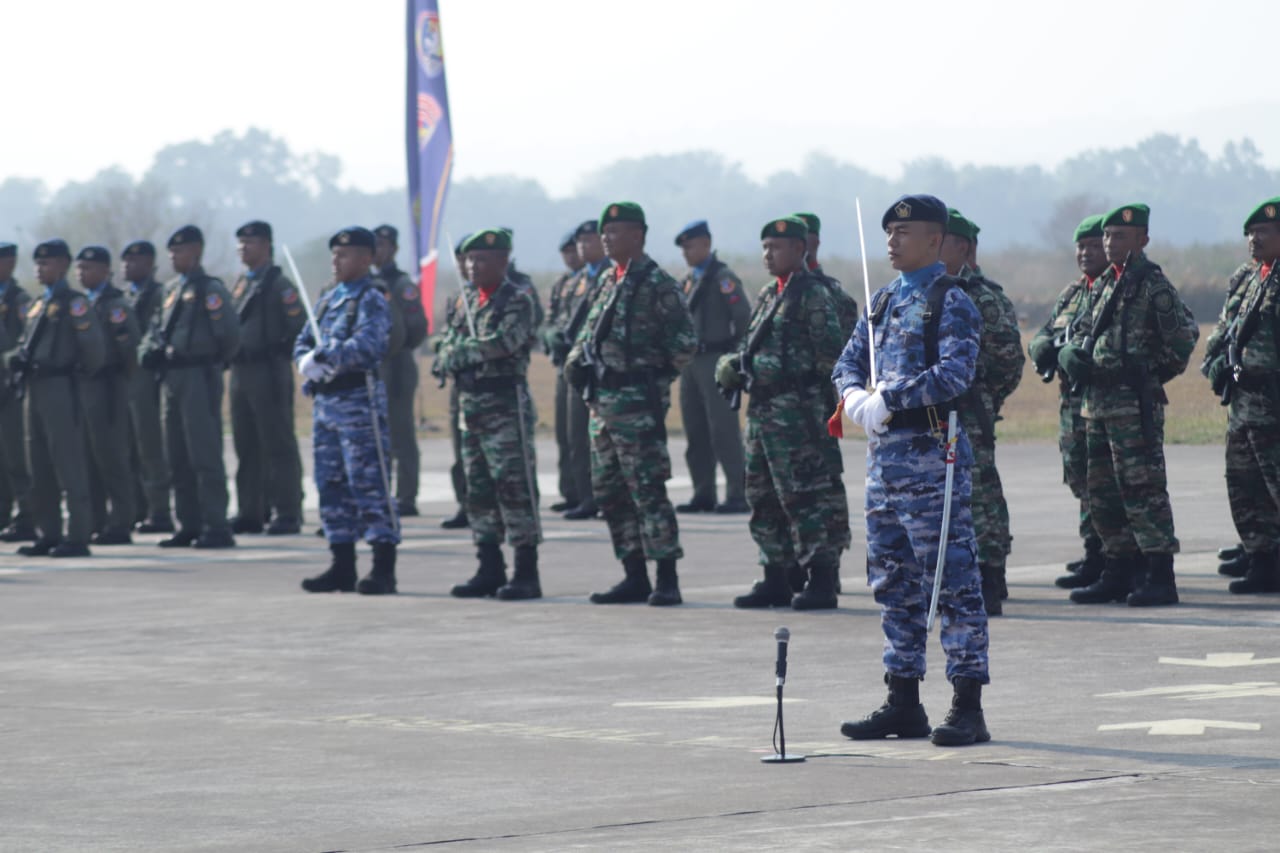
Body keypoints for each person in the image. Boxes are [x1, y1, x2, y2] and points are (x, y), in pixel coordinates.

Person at [833, 194, 990, 747]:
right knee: (892, 582)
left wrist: (891, 397)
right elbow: (847, 361)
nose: (893, 242)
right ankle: (903, 700)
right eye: (889, 234)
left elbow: (955, 374)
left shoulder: (952, 302)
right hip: (885, 465)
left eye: (905, 233)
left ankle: (967, 704)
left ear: (935, 242)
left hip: (932, 459)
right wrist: (853, 395)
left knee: (952, 582)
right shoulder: (881, 302)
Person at [1058, 203, 1199, 606]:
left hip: (1132, 405)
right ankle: (1116, 570)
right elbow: (1080, 328)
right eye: (1106, 236)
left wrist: (1148, 375)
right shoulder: (1104, 283)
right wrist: (1070, 354)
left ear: (1143, 239)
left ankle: (1159, 575)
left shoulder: (1153, 285)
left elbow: (1182, 339)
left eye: (1120, 236)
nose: (1110, 242)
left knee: (1143, 491)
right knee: (1101, 492)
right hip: (1095, 404)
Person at [565, 201, 698, 606]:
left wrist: (648, 382)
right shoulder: (608, 280)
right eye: (604, 232)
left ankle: (666, 578)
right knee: (611, 494)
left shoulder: (658, 284)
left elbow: (684, 344)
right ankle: (634, 573)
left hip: (637, 407)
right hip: (602, 406)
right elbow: (589, 335)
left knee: (647, 491)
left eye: (615, 232)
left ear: (638, 236)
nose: (606, 238)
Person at [719, 216, 848, 611]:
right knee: (762, 495)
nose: (768, 255)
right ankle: (774, 576)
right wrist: (733, 365)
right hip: (762, 414)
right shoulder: (767, 294)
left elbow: (832, 357)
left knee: (804, 497)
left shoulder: (814, 296)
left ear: (800, 249)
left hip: (797, 416)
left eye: (776, 247)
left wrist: (771, 370)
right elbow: (751, 346)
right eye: (764, 248)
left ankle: (821, 579)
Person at [437, 228, 543, 600]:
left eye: (481, 259)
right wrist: (452, 352)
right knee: (478, 490)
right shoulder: (465, 300)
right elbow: (445, 341)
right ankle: (489, 565)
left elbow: (502, 343)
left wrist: (458, 353)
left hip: (504, 404)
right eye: (468, 259)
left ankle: (526, 571)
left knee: (514, 487)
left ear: (502, 261)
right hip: (471, 404)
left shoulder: (517, 299)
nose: (472, 266)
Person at [297, 227, 400, 595]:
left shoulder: (371, 298)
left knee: (368, 482)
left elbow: (370, 345)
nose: (335, 261)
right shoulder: (328, 298)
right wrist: (306, 362)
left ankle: (383, 567)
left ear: (365, 259)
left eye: (344, 255)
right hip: (326, 403)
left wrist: (327, 356)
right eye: (334, 255)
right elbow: (303, 340)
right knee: (331, 484)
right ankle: (341, 563)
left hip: (358, 401)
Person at [939, 209, 1024, 614]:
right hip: (931, 415)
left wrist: (985, 398)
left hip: (970, 409)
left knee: (979, 493)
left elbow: (1009, 360)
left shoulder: (984, 297)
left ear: (965, 248)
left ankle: (991, 576)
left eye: (942, 242)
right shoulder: (921, 292)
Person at [140, 225, 240, 549]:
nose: (173, 257)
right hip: (172, 378)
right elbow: (153, 332)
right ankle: (189, 524)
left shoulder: (211, 290)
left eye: (179, 251)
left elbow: (229, 336)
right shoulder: (169, 292)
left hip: (199, 374)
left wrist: (209, 362)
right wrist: (147, 353)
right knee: (177, 455)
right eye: (171, 251)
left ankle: (216, 525)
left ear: (196, 252)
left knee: (204, 453)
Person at [1029, 215, 1114, 591]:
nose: (1085, 253)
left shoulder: (1116, 290)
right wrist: (1042, 347)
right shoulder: (1073, 293)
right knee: (1082, 481)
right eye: (1081, 246)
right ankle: (1094, 552)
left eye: (1094, 246)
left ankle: (1121, 558)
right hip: (1072, 407)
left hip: (1104, 404)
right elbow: (1046, 332)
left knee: (1107, 485)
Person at [1202, 197, 1280, 593]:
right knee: (1245, 485)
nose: (1254, 239)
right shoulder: (1251, 277)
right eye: (1250, 233)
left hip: (1274, 402)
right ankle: (1263, 561)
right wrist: (1214, 362)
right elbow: (1226, 328)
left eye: (1263, 232)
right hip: (1244, 403)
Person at [14, 239, 107, 557]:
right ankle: (49, 532)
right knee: (38, 463)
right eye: (38, 263)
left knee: (68, 462)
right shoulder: (39, 304)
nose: (41, 269)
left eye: (48, 263)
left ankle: (78, 534)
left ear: (64, 265)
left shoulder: (75, 303)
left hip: (61, 387)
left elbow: (95, 350)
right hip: (36, 388)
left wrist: (75, 375)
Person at [227, 220, 306, 535]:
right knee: (246, 444)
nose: (244, 248)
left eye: (251, 243)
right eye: (241, 243)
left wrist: (279, 352)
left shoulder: (278, 284)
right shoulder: (240, 284)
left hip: (269, 369)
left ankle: (287, 510)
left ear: (267, 246)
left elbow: (297, 325)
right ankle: (251, 510)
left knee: (278, 443)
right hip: (241, 370)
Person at [674, 219, 750, 514]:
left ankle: (737, 493)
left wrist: (736, 354)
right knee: (696, 431)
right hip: (691, 362)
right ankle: (702, 492)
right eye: (683, 247)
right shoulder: (687, 280)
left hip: (716, 358)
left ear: (706, 244)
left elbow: (743, 316)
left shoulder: (723, 277)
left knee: (723, 430)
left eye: (690, 246)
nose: (686, 252)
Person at [75, 245, 140, 545]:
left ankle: (121, 522)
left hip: (108, 385)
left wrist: (120, 386)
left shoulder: (115, 305)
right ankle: (95, 521)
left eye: (88, 268)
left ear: (104, 271)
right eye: (79, 268)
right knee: (87, 458)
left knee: (111, 457)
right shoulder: (83, 302)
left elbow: (128, 348)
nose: (81, 274)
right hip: (85, 386)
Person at [373, 224, 429, 518]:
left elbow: (418, 327)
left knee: (401, 432)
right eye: (375, 245)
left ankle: (406, 495)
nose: (378, 251)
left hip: (397, 365)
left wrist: (396, 347)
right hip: (373, 366)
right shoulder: (368, 282)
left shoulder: (401, 284)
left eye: (383, 245)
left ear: (393, 248)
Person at [121, 241, 174, 533]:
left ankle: (160, 510)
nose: (128, 266)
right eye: (126, 261)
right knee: (128, 447)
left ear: (150, 265)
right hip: (125, 378)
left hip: (146, 378)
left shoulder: (158, 295)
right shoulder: (126, 297)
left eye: (135, 261)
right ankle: (136, 508)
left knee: (150, 446)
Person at [560, 220, 610, 520]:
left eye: (590, 241)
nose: (583, 247)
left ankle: (606, 498)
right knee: (575, 435)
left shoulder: (611, 277)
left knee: (603, 437)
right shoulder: (577, 281)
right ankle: (585, 497)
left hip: (602, 367)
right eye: (581, 242)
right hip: (576, 366)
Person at [542, 229, 585, 512]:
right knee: (564, 432)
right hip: (563, 363)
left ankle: (587, 494)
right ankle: (571, 491)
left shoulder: (595, 280)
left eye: (574, 250)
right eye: (566, 252)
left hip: (584, 364)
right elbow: (550, 320)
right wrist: (550, 337)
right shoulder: (564, 284)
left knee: (581, 433)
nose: (571, 257)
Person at [0, 242, 36, 542]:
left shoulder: (20, 301)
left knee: (15, 457)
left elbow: (22, 343)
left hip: (10, 388)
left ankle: (26, 516)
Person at [440, 235, 471, 530]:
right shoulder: (459, 297)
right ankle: (466, 503)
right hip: (460, 387)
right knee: (460, 450)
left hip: (490, 391)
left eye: (470, 259)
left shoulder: (510, 294)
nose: (466, 265)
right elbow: (447, 335)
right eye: (461, 259)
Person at [793, 212, 859, 337]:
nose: (799, 247)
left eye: (805, 240)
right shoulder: (772, 292)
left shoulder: (834, 293)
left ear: (816, 243)